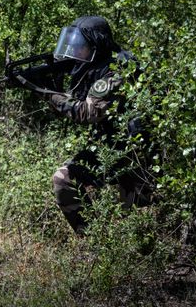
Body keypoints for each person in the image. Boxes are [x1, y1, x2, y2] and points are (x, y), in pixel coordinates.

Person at [45, 16, 152, 234]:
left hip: (137, 153)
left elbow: (87, 113)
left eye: (81, 46)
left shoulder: (117, 70)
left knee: (138, 226)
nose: (75, 52)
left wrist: (48, 94)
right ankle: (93, 239)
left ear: (96, 45)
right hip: (109, 148)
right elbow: (72, 108)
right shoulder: (91, 69)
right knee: (64, 178)